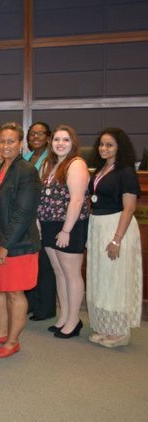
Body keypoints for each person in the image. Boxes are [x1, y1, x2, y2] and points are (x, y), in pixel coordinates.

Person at [0, 122, 40, 358]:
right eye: (1, 141)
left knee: (14, 291)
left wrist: (6, 246)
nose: (5, 145)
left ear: (20, 143)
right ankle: (2, 332)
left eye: (10, 141)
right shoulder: (1, 168)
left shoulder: (26, 171)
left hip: (16, 241)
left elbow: (23, 213)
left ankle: (13, 340)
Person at [86, 128, 142, 348]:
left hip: (117, 226)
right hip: (98, 225)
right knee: (100, 278)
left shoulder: (126, 171)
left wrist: (117, 239)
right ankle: (104, 324)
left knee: (115, 279)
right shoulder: (101, 169)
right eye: (101, 144)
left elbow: (129, 208)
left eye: (109, 145)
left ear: (120, 147)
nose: (103, 148)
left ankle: (119, 331)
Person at [37, 125, 89, 338]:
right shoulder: (50, 164)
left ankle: (74, 320)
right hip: (50, 224)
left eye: (65, 140)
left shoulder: (76, 164)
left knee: (71, 273)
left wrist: (66, 230)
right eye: (57, 139)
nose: (60, 143)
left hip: (69, 225)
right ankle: (65, 315)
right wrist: (39, 222)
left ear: (73, 143)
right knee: (59, 272)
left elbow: (76, 200)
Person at [24, 122, 57, 322]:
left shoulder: (51, 159)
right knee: (31, 261)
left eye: (40, 133)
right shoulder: (26, 157)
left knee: (45, 263)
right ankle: (32, 303)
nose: (36, 136)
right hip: (28, 215)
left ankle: (46, 308)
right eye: (32, 133)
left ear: (48, 137)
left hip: (44, 216)